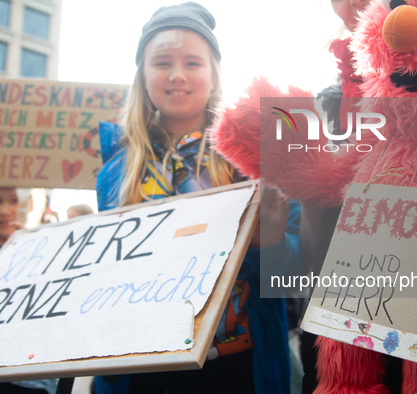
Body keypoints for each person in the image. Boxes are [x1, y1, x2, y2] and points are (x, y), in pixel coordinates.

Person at [95, 3, 303, 393]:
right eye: (161, 62)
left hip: (236, 370)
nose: (177, 76)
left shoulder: (254, 156)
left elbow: (292, 276)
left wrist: (268, 244)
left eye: (192, 62)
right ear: (142, 73)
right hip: (142, 372)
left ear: (213, 73)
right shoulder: (114, 173)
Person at [0, 187, 57, 394]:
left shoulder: (50, 254)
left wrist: (31, 247)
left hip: (30, 381)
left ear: (30, 204)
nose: (5, 210)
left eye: (15, 201)